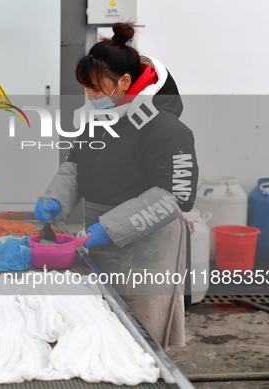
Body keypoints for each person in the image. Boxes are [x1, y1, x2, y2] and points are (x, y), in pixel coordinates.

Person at [34, 23, 198, 348]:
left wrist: (111, 228)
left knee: (140, 332)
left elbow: (175, 193)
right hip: (101, 233)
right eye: (87, 90)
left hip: (149, 242)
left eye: (97, 90)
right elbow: (76, 164)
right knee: (106, 324)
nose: (91, 98)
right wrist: (55, 199)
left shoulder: (164, 126)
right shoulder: (98, 119)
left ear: (124, 82)